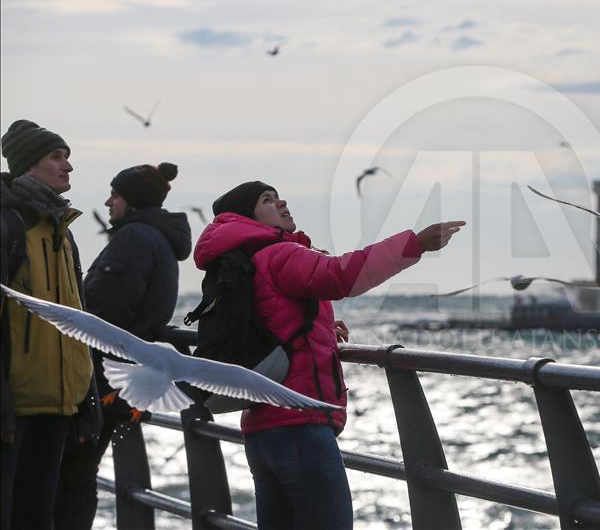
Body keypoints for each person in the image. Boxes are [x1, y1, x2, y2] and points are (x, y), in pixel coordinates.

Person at [193, 180, 464, 530]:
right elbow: (339, 276)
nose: (282, 202)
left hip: (262, 432)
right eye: (268, 200)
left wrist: (321, 331)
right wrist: (415, 244)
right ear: (249, 216)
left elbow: (265, 322)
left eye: (278, 196)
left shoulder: (242, 260)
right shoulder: (278, 253)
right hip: (300, 427)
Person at [54, 161, 193, 529]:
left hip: (100, 377)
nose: (109, 201)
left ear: (132, 200)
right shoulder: (156, 238)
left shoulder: (135, 239)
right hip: (122, 375)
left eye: (115, 194)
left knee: (70, 475)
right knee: (80, 473)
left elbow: (103, 311)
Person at [0, 120, 99, 530]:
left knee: (39, 518)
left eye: (68, 158)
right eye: (57, 157)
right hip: (14, 406)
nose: (68, 167)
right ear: (28, 167)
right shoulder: (9, 226)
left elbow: (78, 320)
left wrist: (85, 398)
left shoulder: (62, 231)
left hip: (58, 405)